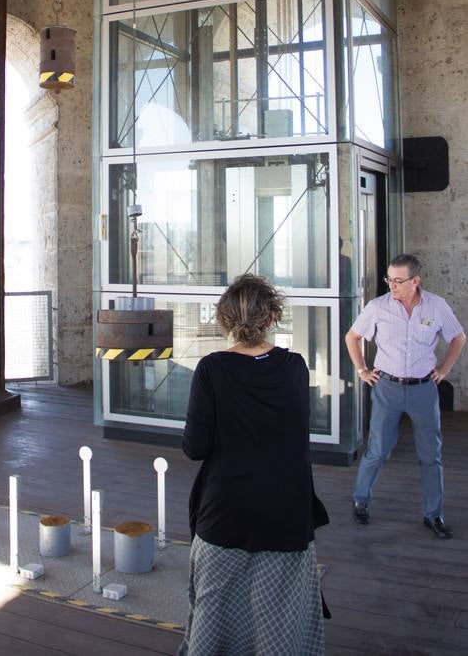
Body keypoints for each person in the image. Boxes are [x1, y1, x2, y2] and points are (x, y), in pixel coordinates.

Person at [178, 273, 328, 656]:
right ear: (271, 318)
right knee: (281, 620)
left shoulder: (212, 369)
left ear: (226, 320)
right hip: (287, 512)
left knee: (213, 616)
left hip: (226, 511)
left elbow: (195, 448)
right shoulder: (294, 366)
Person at [346, 253, 465, 539]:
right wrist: (362, 369)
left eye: (399, 281)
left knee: (430, 455)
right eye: (390, 279)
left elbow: (458, 337)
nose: (392, 286)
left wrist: (445, 369)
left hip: (424, 389)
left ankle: (433, 515)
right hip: (387, 388)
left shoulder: (436, 306)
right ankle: (361, 500)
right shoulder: (377, 307)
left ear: (416, 281)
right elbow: (352, 336)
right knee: (378, 449)